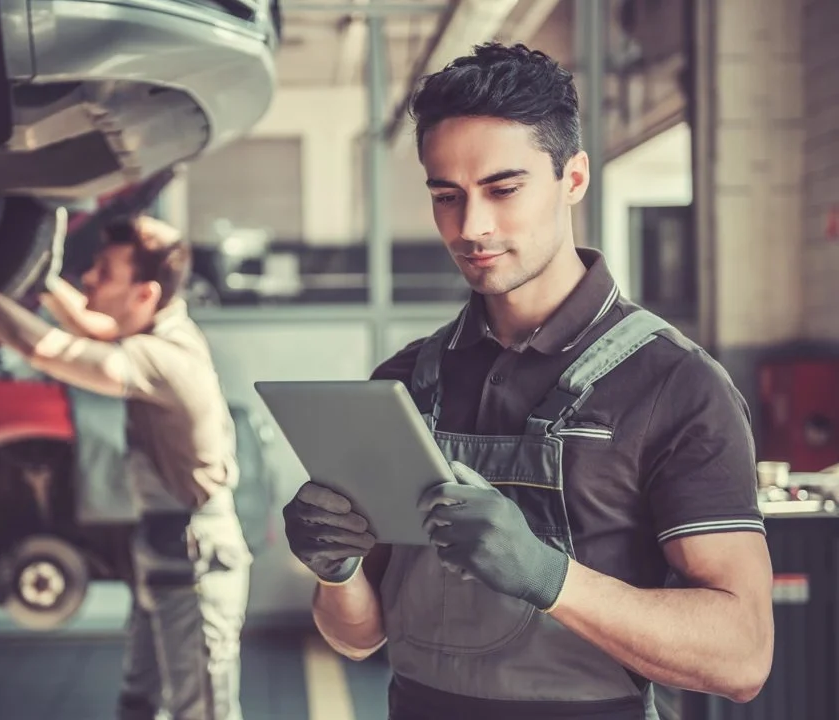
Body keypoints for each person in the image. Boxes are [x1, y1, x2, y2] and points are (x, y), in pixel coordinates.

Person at [282, 42, 774, 720]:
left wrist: (549, 576)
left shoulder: (676, 385)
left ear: (573, 178)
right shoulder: (403, 385)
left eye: (503, 189)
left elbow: (743, 657)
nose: (471, 226)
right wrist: (332, 569)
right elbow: (359, 637)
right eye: (446, 195)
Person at [0, 211, 251, 720]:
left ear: (144, 294)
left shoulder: (161, 357)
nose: (89, 280)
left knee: (202, 713)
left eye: (103, 272)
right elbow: (92, 323)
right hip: (163, 552)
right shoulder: (161, 320)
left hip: (194, 560)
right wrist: (43, 282)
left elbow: (47, 348)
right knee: (138, 704)